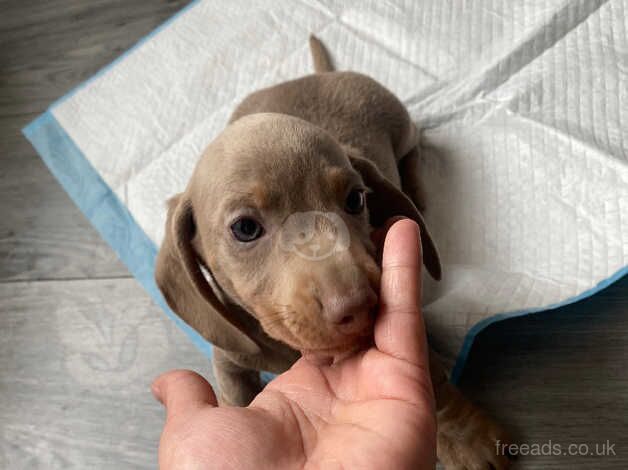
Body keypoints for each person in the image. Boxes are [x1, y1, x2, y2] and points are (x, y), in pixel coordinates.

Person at [151, 219, 437, 469]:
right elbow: (231, 364)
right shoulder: (232, 329)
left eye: (353, 201)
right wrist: (246, 431)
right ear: (192, 251)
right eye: (246, 229)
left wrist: (449, 417)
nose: (349, 299)